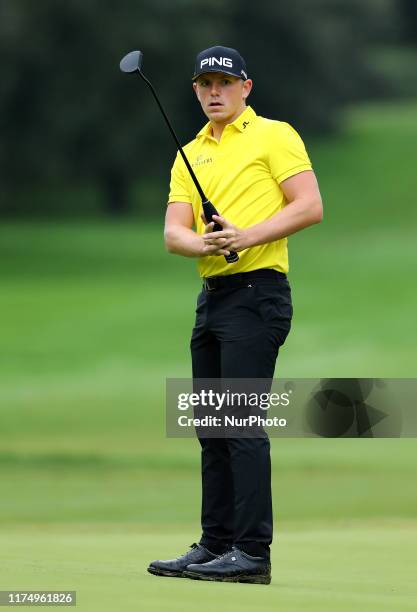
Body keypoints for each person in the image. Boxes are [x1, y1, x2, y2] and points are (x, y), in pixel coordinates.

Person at [148, 45, 323, 584]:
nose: (214, 92)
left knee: (241, 425)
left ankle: (252, 553)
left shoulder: (275, 134)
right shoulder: (188, 153)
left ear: (246, 87)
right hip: (214, 298)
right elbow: (173, 231)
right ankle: (216, 542)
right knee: (211, 428)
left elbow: (309, 205)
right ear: (196, 91)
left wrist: (246, 236)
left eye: (224, 82)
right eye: (205, 84)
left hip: (259, 291)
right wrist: (201, 244)